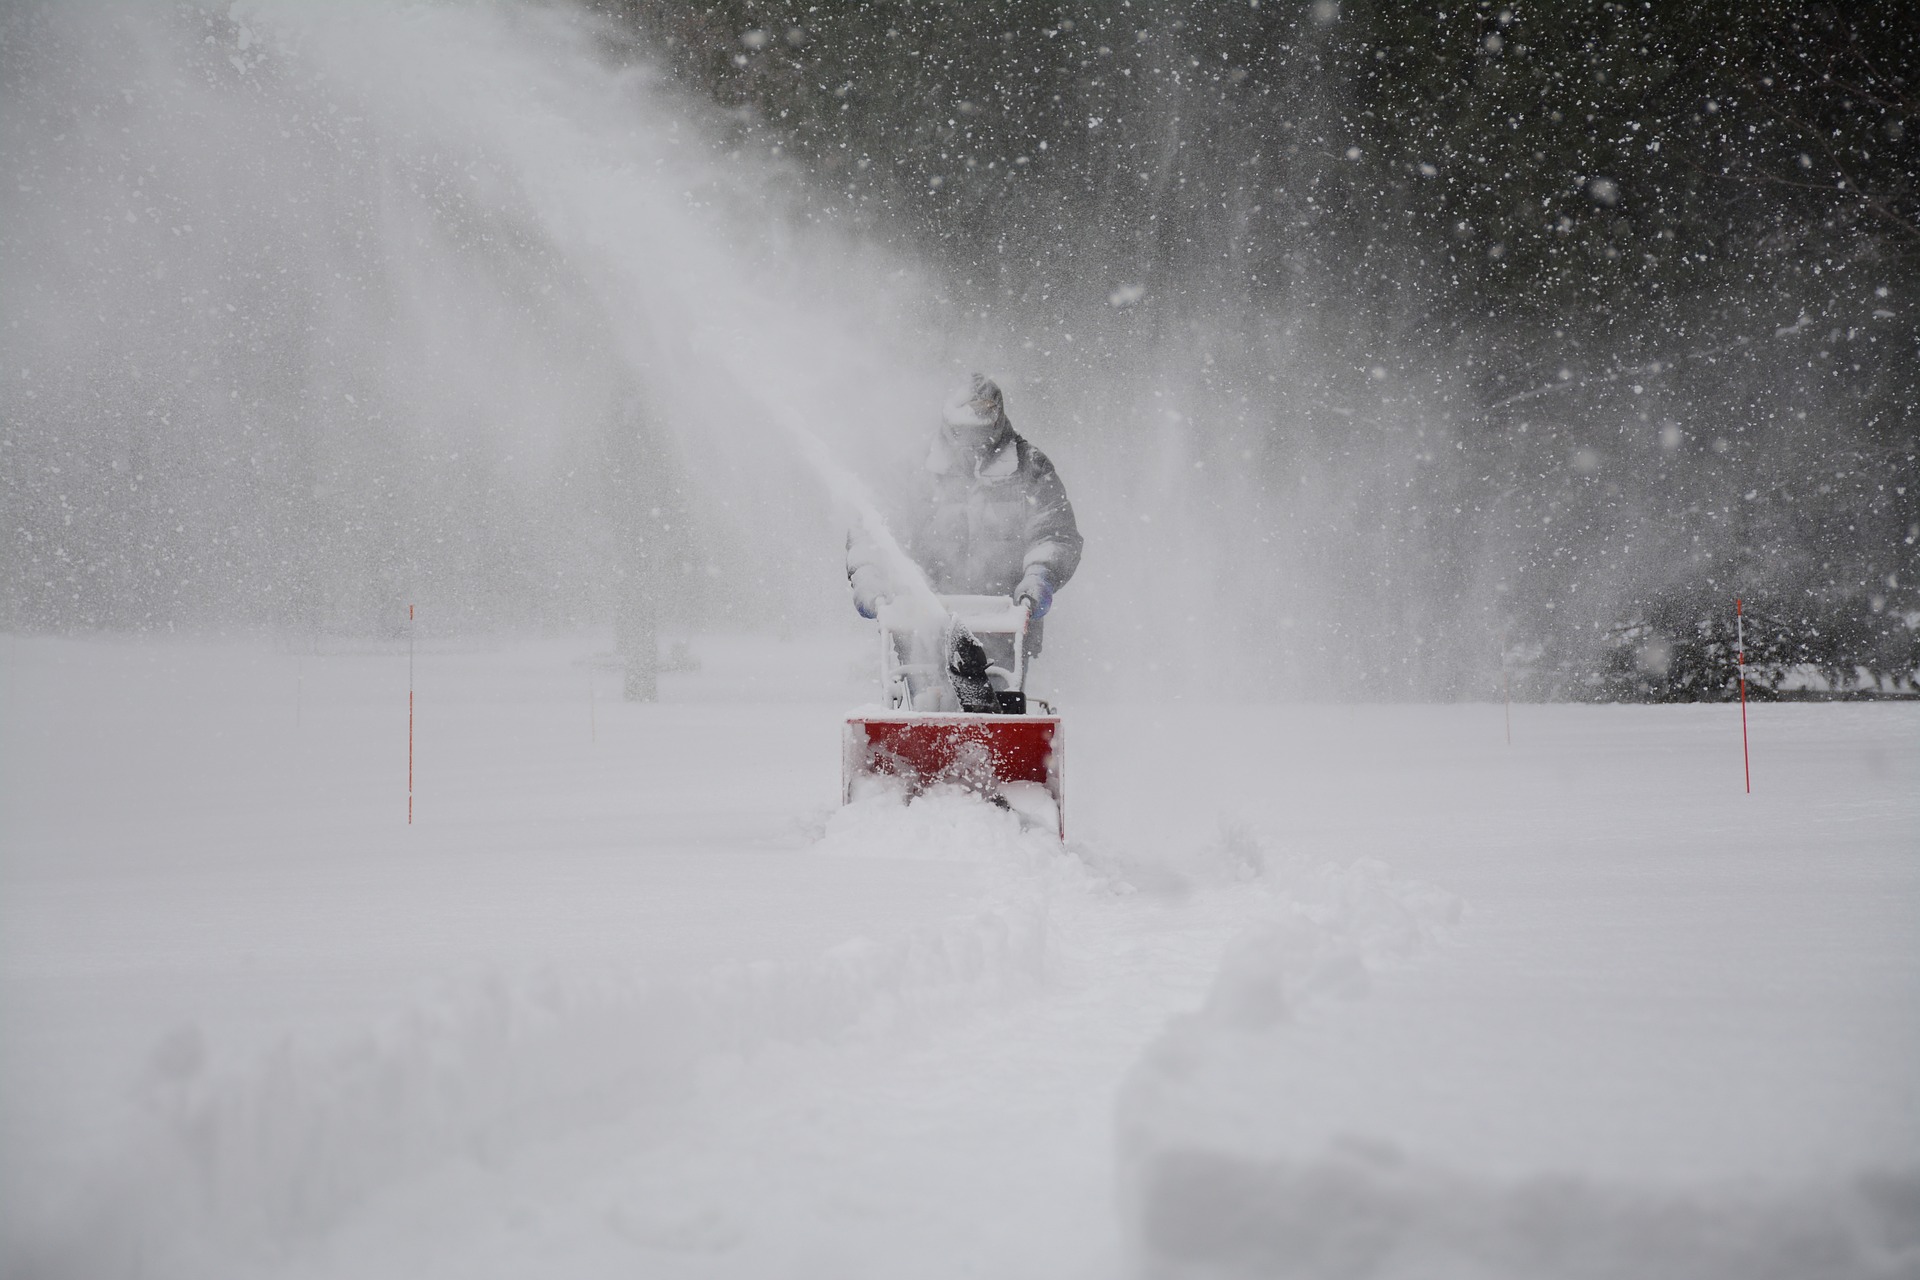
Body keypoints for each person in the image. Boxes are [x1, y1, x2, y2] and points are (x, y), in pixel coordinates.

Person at [847, 374, 1082, 706]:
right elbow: (875, 530)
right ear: (947, 425)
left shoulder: (1030, 469)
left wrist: (1039, 576)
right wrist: (869, 575)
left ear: (998, 425)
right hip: (920, 620)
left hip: (1003, 620)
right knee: (927, 706)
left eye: (983, 433)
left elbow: (1053, 531)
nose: (974, 444)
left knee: (994, 709)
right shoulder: (913, 470)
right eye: (963, 433)